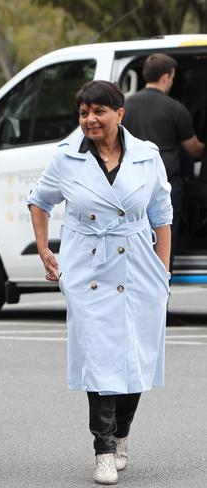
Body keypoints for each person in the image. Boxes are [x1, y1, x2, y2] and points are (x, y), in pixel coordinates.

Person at [28, 80, 172, 485]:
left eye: (98, 111)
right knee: (100, 358)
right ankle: (103, 448)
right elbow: (39, 201)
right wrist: (44, 249)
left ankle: (122, 434)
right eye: (83, 112)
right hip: (88, 267)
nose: (89, 119)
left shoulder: (147, 156)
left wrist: (162, 270)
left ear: (119, 113)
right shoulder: (66, 158)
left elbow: (162, 215)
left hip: (140, 265)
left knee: (137, 356)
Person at [122, 53, 204, 272]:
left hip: (131, 186)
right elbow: (193, 149)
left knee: (134, 243)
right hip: (166, 186)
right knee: (165, 244)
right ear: (167, 77)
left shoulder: (125, 107)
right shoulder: (175, 108)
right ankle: (159, 299)